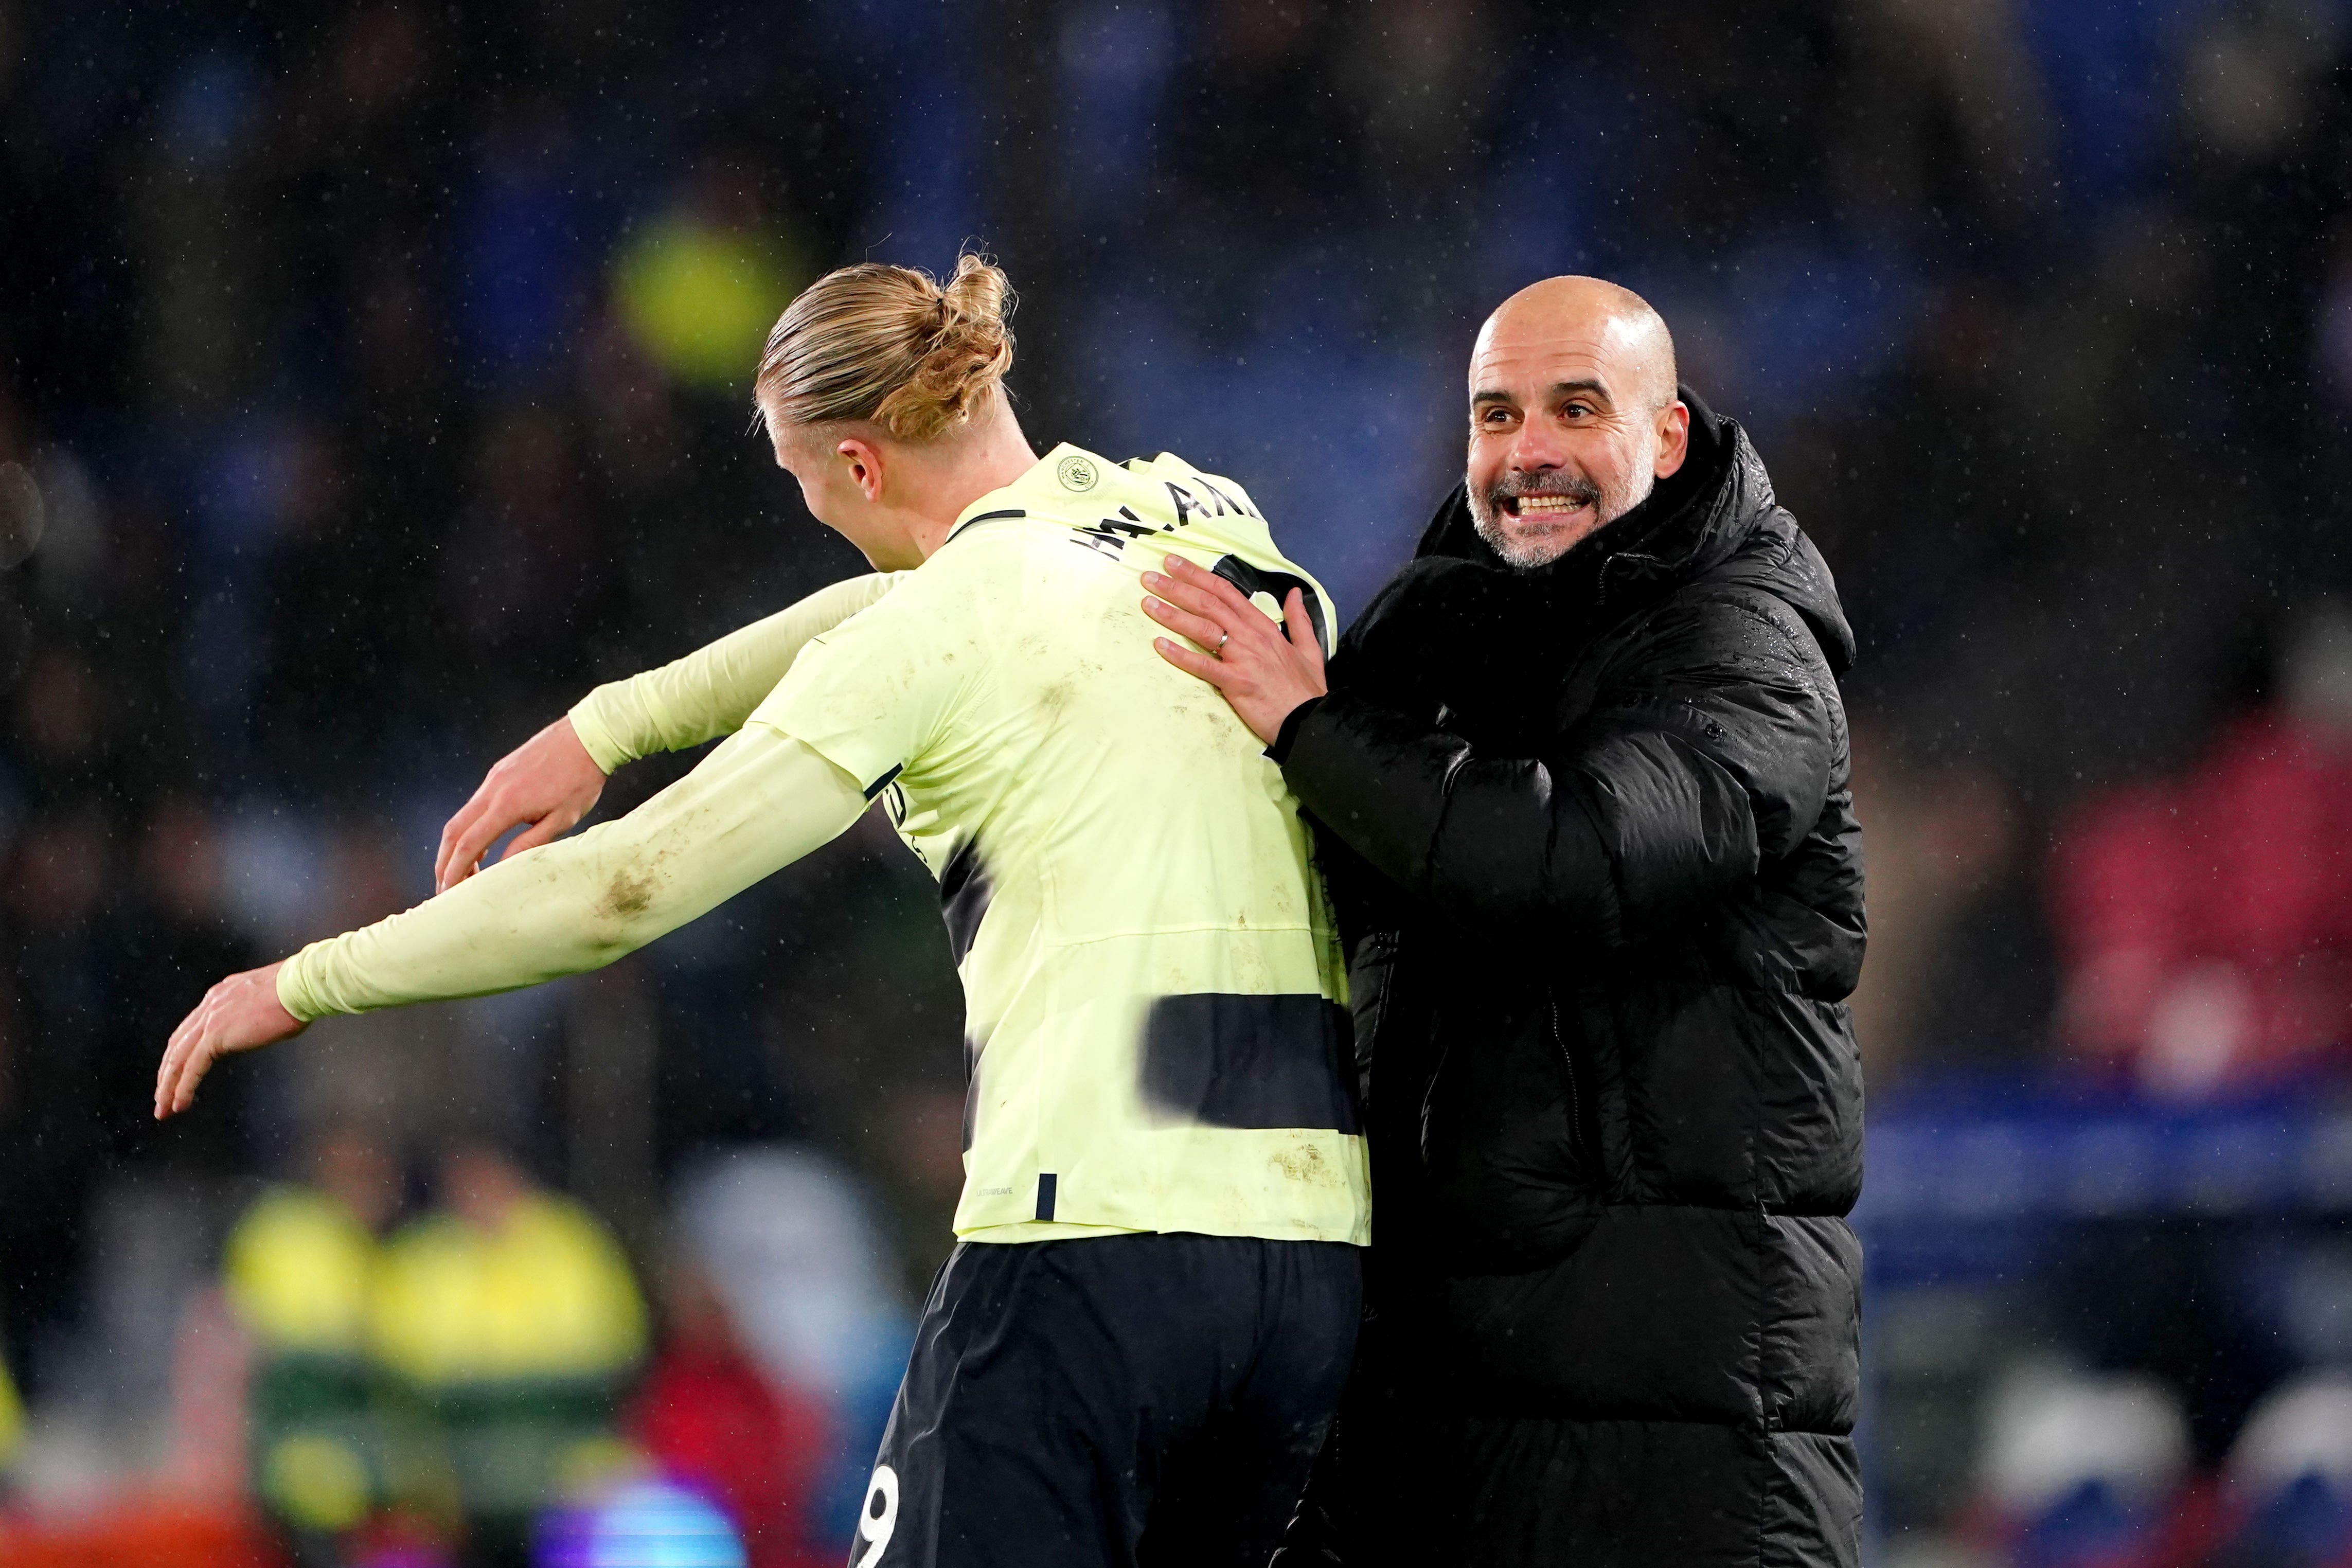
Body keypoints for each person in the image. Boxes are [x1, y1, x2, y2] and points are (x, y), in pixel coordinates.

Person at [156, 255, 1368, 1567]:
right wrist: (611, 722)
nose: (818, 519)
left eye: (803, 485)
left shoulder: (935, 633)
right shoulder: (1203, 515)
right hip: (1311, 1265)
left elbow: (620, 892)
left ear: (856, 468)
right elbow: (904, 599)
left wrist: (304, 982)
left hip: (1096, 1249)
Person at [1141, 275, 1865, 1565]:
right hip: (1448, 1410)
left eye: (1575, 408)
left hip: (1678, 1441)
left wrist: (1311, 726)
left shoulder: (1746, 648)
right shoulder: (1435, 635)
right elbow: (1305, 890)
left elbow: (1572, 858)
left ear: (1668, 436)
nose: (1527, 452)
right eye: (1496, 415)